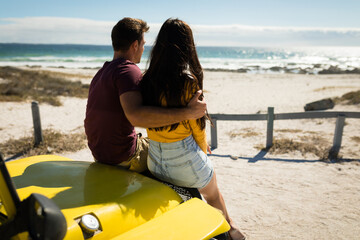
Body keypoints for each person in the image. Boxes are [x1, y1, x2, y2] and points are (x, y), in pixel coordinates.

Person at [140, 18, 246, 240]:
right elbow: (196, 124)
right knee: (213, 194)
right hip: (184, 158)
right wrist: (203, 148)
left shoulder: (147, 78)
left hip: (156, 161)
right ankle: (231, 230)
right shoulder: (187, 80)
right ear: (188, 44)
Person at [84, 17, 206, 173]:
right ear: (135, 45)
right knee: (174, 153)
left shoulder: (102, 73)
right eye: (143, 44)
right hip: (125, 156)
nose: (143, 49)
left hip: (101, 154)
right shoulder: (128, 70)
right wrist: (188, 113)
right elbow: (136, 117)